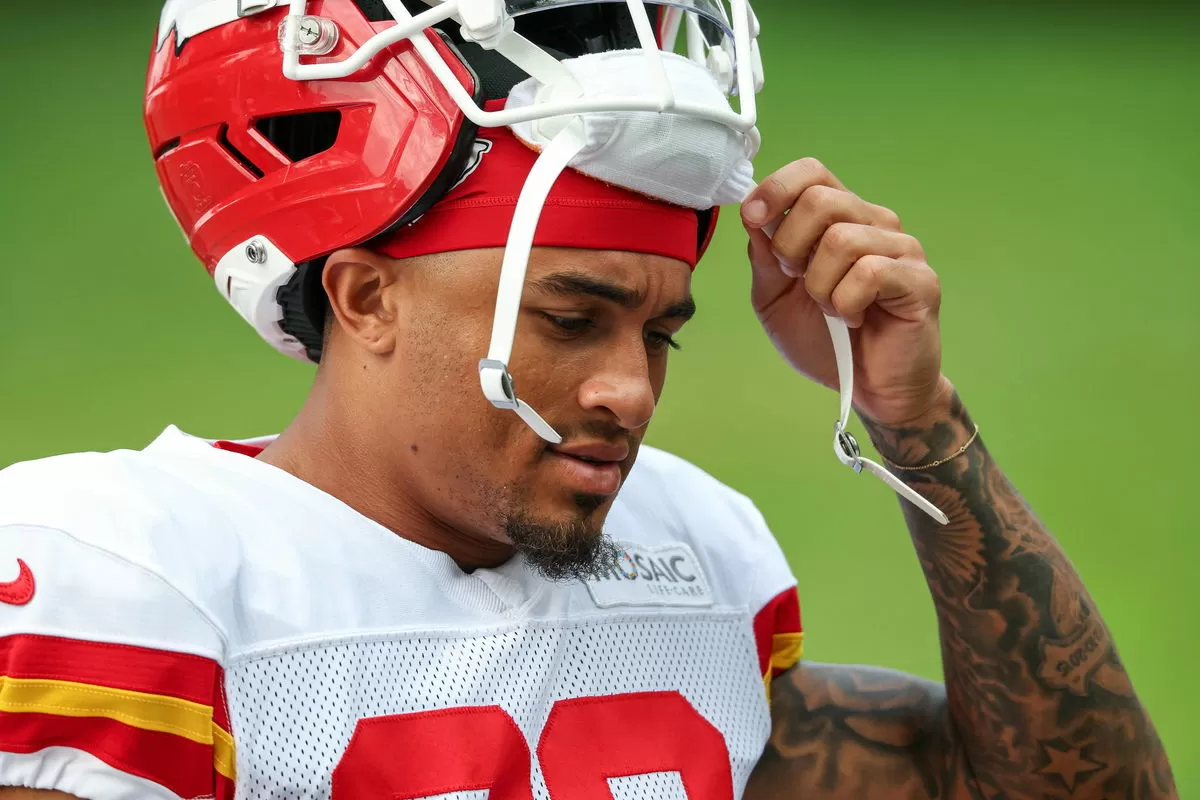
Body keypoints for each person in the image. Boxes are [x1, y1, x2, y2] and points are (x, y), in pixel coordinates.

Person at [0, 0, 1175, 798]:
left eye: (662, 331)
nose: (631, 389)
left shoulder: (692, 560)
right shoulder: (135, 586)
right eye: (570, 319)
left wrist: (918, 423)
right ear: (365, 297)